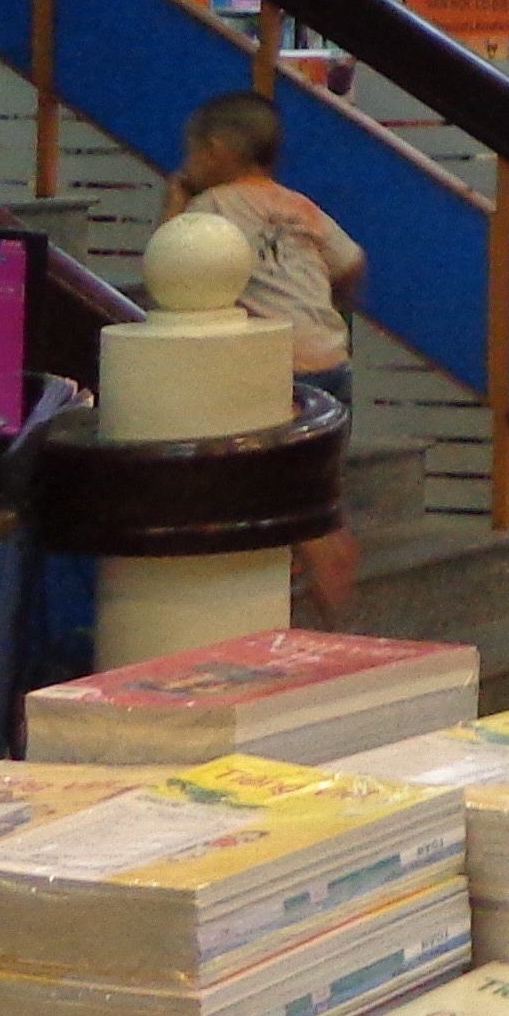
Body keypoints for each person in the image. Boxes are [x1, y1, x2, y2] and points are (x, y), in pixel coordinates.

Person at [166, 88, 368, 619]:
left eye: (190, 152)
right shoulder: (298, 206)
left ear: (215, 151)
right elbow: (351, 264)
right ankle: (336, 624)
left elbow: (170, 269)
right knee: (319, 500)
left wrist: (175, 196)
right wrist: (329, 309)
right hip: (330, 364)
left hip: (275, 370)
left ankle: (341, 642)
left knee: (302, 517)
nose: (185, 163)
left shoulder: (209, 209)